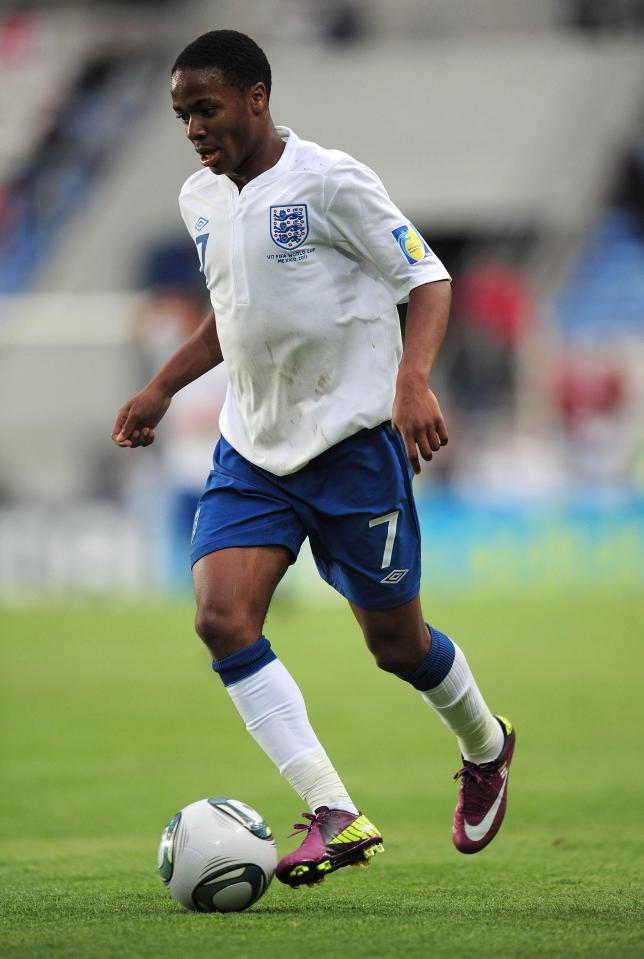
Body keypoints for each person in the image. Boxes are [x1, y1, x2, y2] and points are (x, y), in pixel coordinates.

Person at [111, 29, 515, 888]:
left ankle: (486, 744)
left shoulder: (330, 180)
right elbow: (233, 314)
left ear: (257, 97)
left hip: (353, 447)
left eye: (206, 109)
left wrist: (414, 381)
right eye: (182, 114)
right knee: (221, 618)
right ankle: (334, 810)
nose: (193, 129)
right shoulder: (200, 198)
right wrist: (162, 387)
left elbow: (429, 278)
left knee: (397, 646)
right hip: (252, 449)